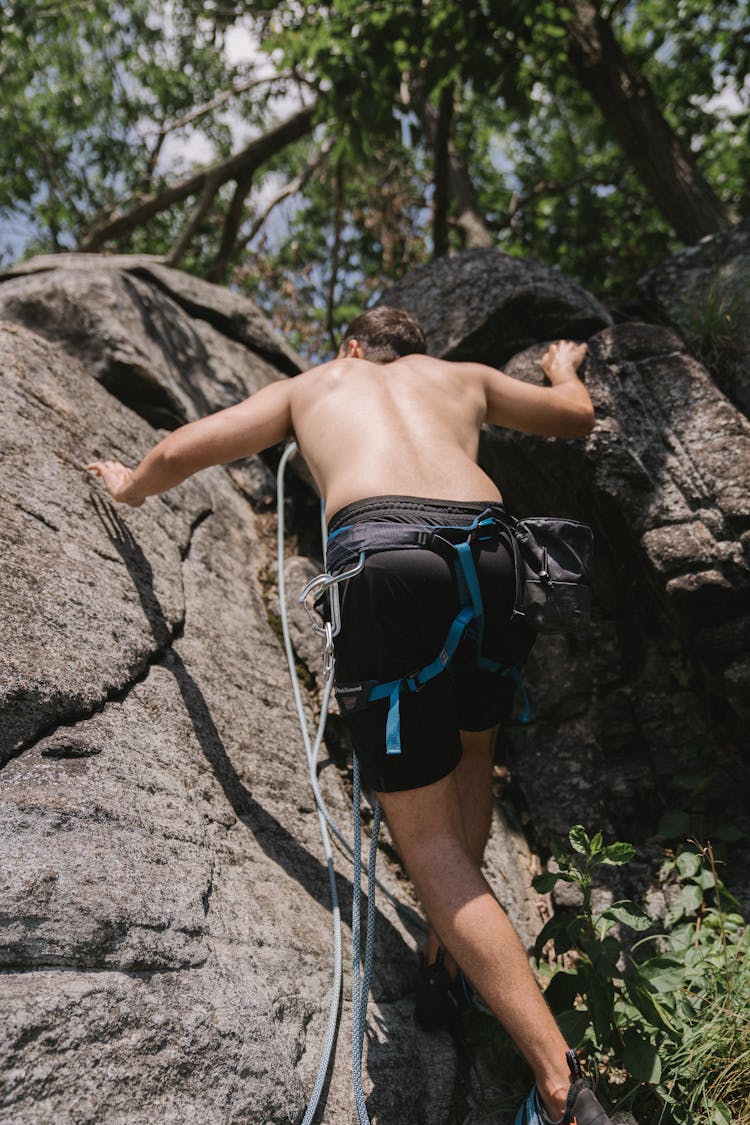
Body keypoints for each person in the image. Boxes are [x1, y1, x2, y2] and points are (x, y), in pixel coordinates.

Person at [87, 306, 611, 1125]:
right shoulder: (461, 380)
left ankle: (558, 1084)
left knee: (427, 837)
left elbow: (187, 448)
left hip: (391, 556)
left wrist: (131, 482)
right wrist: (561, 368)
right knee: (475, 751)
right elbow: (576, 417)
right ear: (418, 351)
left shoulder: (317, 382)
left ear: (354, 347)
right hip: (498, 559)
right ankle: (448, 961)